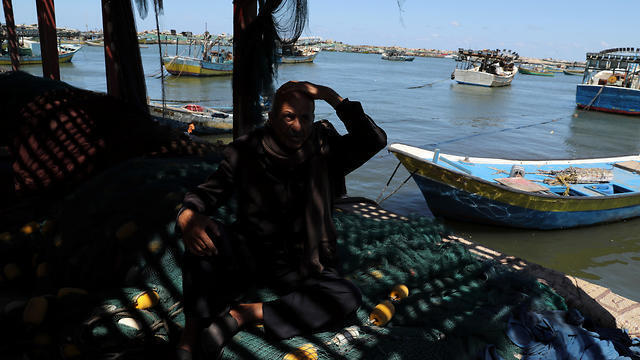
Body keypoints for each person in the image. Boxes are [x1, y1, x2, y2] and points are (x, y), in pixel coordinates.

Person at [176, 81, 387, 359]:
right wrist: (187, 213)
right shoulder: (246, 150)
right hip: (249, 252)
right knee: (200, 235)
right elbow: (211, 192)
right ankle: (190, 335)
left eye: (306, 118)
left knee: (346, 295)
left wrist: (330, 96)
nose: (298, 126)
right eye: (289, 116)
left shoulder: (326, 149)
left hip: (305, 260)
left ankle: (247, 313)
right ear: (272, 117)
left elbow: (374, 140)